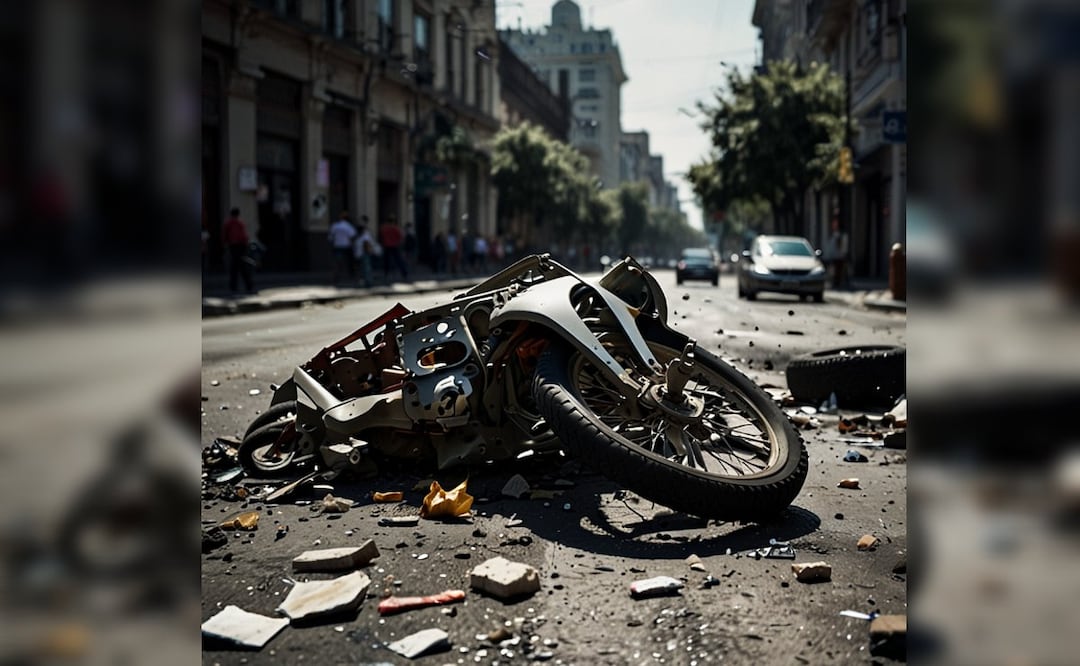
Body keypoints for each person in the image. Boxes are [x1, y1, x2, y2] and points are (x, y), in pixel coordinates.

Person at [222, 207, 254, 295]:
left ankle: (234, 286)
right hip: (241, 246)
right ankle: (248, 285)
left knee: (234, 267)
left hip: (233, 246)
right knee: (242, 266)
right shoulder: (240, 223)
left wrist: (225, 244)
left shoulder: (228, 223)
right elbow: (244, 235)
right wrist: (246, 245)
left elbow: (225, 235)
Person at [328, 211, 357, 285]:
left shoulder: (335, 226)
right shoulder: (348, 226)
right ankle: (351, 276)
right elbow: (352, 236)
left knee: (337, 262)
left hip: (337, 246)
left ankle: (336, 277)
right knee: (349, 262)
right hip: (346, 246)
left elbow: (331, 237)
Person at [378, 214, 409, 281]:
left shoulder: (384, 228)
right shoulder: (395, 228)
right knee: (399, 260)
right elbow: (401, 237)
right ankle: (404, 274)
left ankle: (386, 274)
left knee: (387, 261)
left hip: (386, 246)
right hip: (395, 246)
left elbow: (381, 237)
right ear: (393, 221)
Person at [824, 216, 850, 288]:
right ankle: (837, 284)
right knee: (835, 273)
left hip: (839, 257)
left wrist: (843, 255)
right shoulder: (834, 234)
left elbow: (842, 246)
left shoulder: (840, 235)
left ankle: (838, 285)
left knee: (838, 273)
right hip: (833, 256)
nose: (833, 225)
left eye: (835, 223)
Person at [352, 215, 375, 288]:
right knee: (362, 269)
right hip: (359, 254)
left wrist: (369, 251)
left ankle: (368, 282)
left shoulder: (365, 235)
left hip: (364, 254)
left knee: (366, 269)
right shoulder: (360, 235)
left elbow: (367, 244)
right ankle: (363, 282)